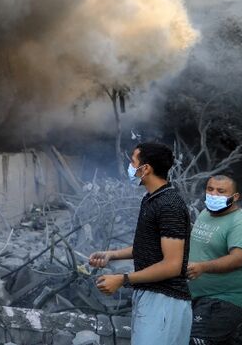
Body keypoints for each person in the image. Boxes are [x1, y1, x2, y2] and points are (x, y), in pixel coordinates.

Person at [88, 142, 192, 345]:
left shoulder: (169, 205)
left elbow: (172, 265)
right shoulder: (151, 199)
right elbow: (147, 248)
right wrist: (112, 254)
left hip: (165, 301)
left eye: (133, 162)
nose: (130, 167)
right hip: (149, 296)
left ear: (145, 168)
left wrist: (122, 279)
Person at [187, 174, 242, 345]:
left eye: (221, 191)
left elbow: (239, 259)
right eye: (210, 189)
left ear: (235, 197)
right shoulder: (205, 213)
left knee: (195, 341)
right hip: (200, 295)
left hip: (226, 299)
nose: (214, 195)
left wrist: (203, 267)